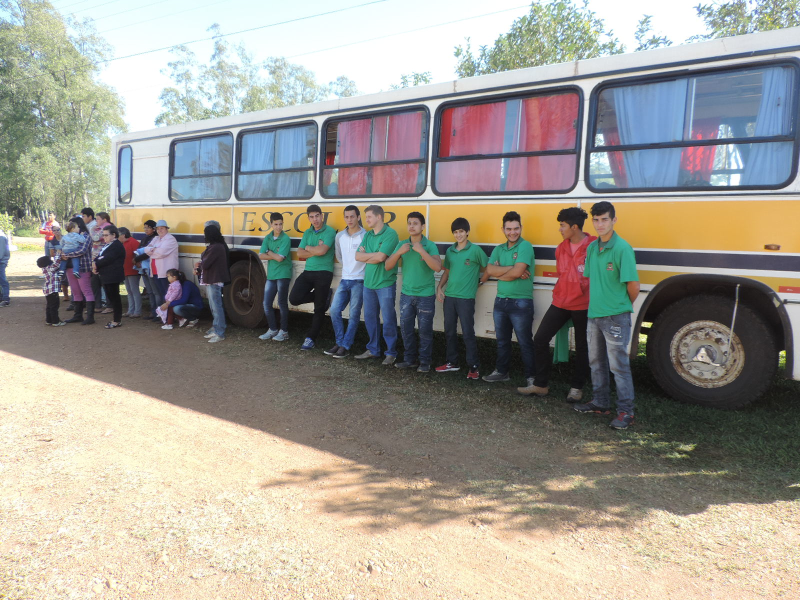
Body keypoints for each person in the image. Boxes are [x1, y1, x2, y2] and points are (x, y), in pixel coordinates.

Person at [573, 201, 640, 430]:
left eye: (604, 219)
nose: (600, 224)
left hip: (615, 317)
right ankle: (600, 403)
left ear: (614, 220)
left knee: (618, 366)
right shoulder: (592, 248)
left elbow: (634, 287)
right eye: (596, 220)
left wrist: (620, 307)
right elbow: (592, 279)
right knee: (596, 362)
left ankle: (626, 412)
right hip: (594, 315)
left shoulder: (622, 248)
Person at [518, 207, 596, 401]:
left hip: (584, 304)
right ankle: (541, 385)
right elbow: (563, 275)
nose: (560, 229)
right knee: (540, 339)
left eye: (562, 226)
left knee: (582, 347)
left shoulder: (594, 246)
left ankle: (577, 388)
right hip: (561, 301)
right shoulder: (561, 248)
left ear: (575, 227)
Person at [481, 211, 535, 385]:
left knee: (525, 342)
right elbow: (489, 270)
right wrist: (512, 268)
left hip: (521, 302)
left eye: (516, 228)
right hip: (501, 301)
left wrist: (502, 271)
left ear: (521, 228)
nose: (513, 232)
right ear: (503, 229)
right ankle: (502, 372)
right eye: (509, 229)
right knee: (502, 341)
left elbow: (516, 272)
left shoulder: (525, 246)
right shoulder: (499, 248)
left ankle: (531, 378)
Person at [385, 211, 442, 372]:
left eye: (415, 223)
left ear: (422, 226)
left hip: (426, 295)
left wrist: (421, 251)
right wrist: (398, 253)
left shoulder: (429, 245)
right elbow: (388, 266)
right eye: (409, 223)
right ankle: (409, 359)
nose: (411, 226)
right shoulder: (402, 244)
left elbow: (437, 267)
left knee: (425, 330)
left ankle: (425, 362)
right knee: (406, 329)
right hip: (406, 295)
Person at [435, 217, 489, 380]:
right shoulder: (451, 251)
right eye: (456, 232)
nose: (458, 235)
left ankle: (473, 367)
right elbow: (447, 271)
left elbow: (488, 268)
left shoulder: (475, 250)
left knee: (467, 333)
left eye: (461, 232)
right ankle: (452, 362)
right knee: (450, 331)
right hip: (450, 297)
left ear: (467, 232)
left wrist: (480, 282)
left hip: (466, 299)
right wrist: (439, 288)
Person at [355, 205, 400, 365]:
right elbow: (357, 256)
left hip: (385, 283)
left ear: (379, 217)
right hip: (369, 284)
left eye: (369, 217)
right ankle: (373, 349)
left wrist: (371, 256)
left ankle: (391, 352)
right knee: (370, 318)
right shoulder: (367, 235)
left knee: (388, 319)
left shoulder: (391, 234)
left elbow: (381, 258)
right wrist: (376, 255)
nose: (366, 220)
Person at [289, 204, 336, 351]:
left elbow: (322, 251)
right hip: (308, 271)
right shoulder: (308, 232)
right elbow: (300, 253)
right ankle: (322, 296)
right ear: (308, 218)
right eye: (311, 217)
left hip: (324, 272)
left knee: (319, 308)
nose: (315, 220)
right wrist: (313, 250)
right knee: (294, 298)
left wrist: (309, 248)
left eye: (317, 216)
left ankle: (310, 338)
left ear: (322, 216)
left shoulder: (329, 231)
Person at [325, 205, 366, 359]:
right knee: (334, 310)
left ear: (358, 217)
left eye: (352, 216)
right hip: (345, 279)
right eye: (347, 217)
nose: (349, 220)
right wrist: (348, 269)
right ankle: (340, 342)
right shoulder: (339, 236)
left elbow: (368, 258)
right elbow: (340, 256)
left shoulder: (365, 236)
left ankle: (345, 346)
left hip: (360, 281)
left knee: (354, 315)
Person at [258, 212, 292, 342]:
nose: (279, 227)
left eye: (281, 224)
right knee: (266, 303)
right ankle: (272, 329)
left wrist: (269, 251)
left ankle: (284, 331)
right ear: (271, 224)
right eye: (276, 224)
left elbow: (279, 258)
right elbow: (260, 256)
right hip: (271, 275)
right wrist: (273, 254)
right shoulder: (268, 237)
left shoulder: (286, 239)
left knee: (282, 303)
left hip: (283, 274)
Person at [196, 225, 231, 343]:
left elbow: (205, 264)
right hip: (212, 279)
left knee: (216, 306)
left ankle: (220, 332)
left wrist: (199, 265)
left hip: (214, 279)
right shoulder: (217, 246)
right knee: (214, 306)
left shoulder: (216, 247)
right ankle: (216, 328)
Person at [61, 217, 96, 324]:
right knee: (75, 291)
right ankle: (78, 315)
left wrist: (66, 254)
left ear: (78, 226)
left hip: (83, 267)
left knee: (86, 290)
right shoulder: (73, 236)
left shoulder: (86, 236)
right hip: (70, 267)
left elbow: (82, 250)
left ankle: (90, 317)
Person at [93, 225, 126, 329]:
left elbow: (107, 258)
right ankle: (116, 319)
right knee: (111, 297)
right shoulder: (107, 245)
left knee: (115, 298)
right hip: (106, 275)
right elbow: (100, 257)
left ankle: (117, 320)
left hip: (113, 275)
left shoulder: (116, 245)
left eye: (106, 235)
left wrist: (96, 263)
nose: (104, 237)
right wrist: (96, 262)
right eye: (103, 235)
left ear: (114, 235)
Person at [144, 219, 179, 301]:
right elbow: (146, 250)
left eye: (162, 228)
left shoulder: (170, 239)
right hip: (156, 271)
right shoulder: (156, 238)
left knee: (168, 294)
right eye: (158, 228)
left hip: (166, 273)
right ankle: (162, 312)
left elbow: (162, 253)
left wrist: (152, 250)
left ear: (167, 229)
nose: (159, 230)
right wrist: (153, 250)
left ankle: (169, 312)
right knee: (161, 293)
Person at [133, 220, 160, 320]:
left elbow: (149, 252)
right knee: (150, 291)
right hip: (144, 268)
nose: (145, 230)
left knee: (155, 291)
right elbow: (138, 250)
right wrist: (137, 259)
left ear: (153, 229)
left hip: (150, 267)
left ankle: (158, 312)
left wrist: (137, 259)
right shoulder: (144, 239)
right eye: (144, 228)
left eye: (148, 227)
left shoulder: (155, 239)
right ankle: (153, 312)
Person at [118, 227, 142, 318]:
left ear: (123, 235)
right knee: (129, 291)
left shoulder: (133, 242)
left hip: (132, 270)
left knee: (134, 291)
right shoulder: (123, 243)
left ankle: (137, 311)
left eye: (118, 235)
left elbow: (138, 256)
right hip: (126, 270)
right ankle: (131, 310)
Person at [37, 255, 66, 326]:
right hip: (52, 290)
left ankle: (49, 320)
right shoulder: (50, 268)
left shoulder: (45, 269)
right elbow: (56, 264)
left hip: (48, 290)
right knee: (54, 306)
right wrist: (58, 256)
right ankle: (55, 321)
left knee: (49, 306)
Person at [0, 227, 10, 307]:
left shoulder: (1, 237)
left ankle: (5, 299)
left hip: (1, 262)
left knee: (3, 280)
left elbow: (1, 252)